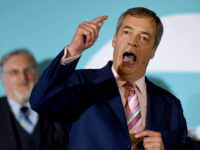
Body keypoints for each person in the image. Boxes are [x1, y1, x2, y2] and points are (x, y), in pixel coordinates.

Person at [30, 7, 194, 150]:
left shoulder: (171, 104)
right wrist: (74, 49)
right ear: (115, 39)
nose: (132, 42)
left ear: (153, 52)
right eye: (126, 32)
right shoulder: (82, 83)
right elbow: (41, 101)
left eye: (144, 38)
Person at [0, 49, 69, 150]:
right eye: (14, 72)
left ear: (37, 72)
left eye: (28, 70)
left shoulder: (61, 108)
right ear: (3, 79)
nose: (23, 77)